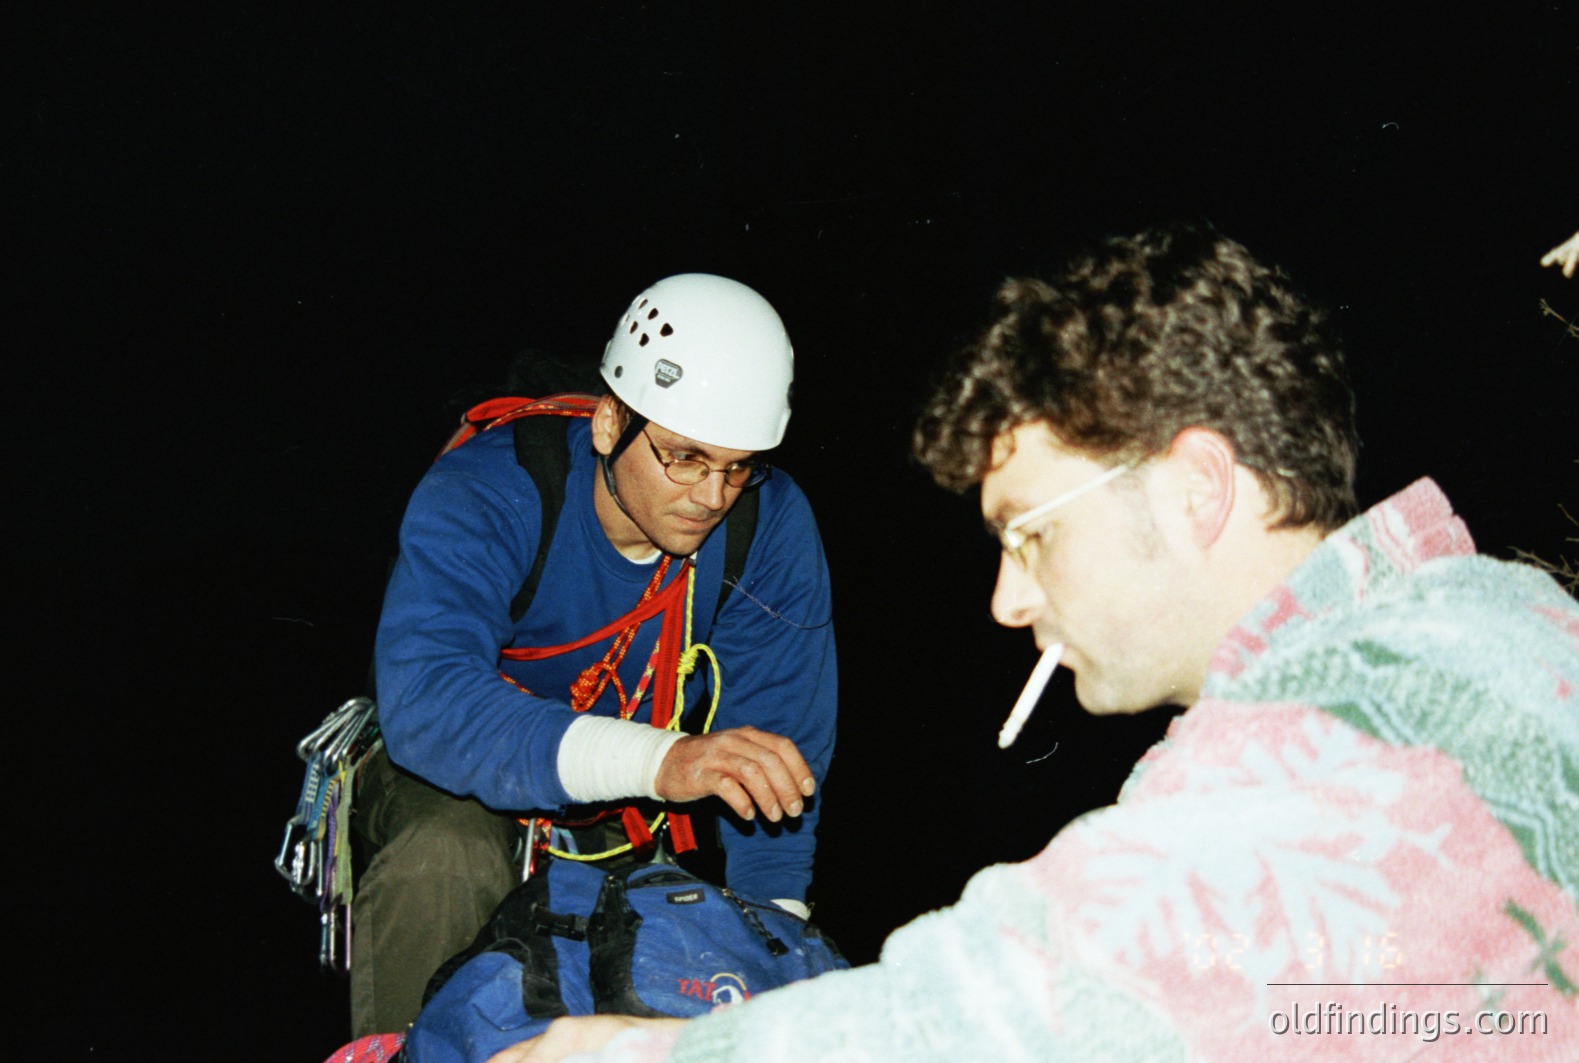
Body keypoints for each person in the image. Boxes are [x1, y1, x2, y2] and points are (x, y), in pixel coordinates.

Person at [487, 225, 1579, 1060]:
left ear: (1197, 486)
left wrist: (665, 1048)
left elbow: (1028, 998)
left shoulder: (1346, 740)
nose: (1008, 598)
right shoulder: (1500, 619)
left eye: (1032, 532)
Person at [351, 274, 837, 1037]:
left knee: (675, 949)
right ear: (611, 424)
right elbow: (428, 700)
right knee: (441, 859)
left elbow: (776, 742)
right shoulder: (492, 489)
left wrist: (772, 937)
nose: (712, 495)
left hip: (623, 818)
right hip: (453, 775)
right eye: (684, 456)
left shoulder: (764, 521)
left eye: (738, 465)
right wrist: (666, 760)